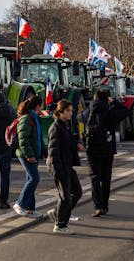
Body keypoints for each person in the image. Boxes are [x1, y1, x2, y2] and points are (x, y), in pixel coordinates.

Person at [85, 88, 130, 217]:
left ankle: (97, 206)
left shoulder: (91, 110)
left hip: (92, 148)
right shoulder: (111, 112)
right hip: (107, 148)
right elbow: (126, 111)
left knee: (94, 178)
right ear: (107, 99)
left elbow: (79, 118)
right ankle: (104, 205)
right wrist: (115, 102)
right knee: (106, 178)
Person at [46, 99, 84, 234]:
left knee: (77, 193)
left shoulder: (65, 125)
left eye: (71, 111)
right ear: (60, 112)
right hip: (59, 166)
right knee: (65, 196)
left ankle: (57, 213)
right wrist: (57, 170)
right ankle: (60, 224)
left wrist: (77, 144)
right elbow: (53, 151)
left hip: (67, 165)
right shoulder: (56, 127)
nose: (70, 113)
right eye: (68, 111)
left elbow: (69, 141)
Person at [13, 95, 44, 218]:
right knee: (34, 179)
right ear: (38, 106)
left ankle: (30, 209)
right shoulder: (27, 118)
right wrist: (29, 155)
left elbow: (37, 138)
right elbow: (23, 139)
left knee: (30, 179)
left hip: (33, 153)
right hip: (26, 154)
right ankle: (19, 203)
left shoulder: (34, 117)